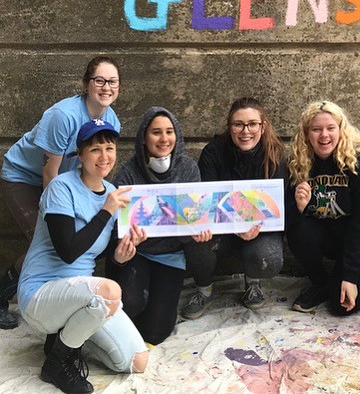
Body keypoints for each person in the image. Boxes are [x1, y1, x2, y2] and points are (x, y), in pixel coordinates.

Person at [17, 119, 148, 394]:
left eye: (109, 148)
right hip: (41, 295)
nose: (104, 156)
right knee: (110, 292)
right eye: (95, 149)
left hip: (84, 298)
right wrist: (105, 212)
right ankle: (57, 363)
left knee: (137, 361)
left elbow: (110, 260)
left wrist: (123, 255)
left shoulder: (112, 194)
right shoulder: (61, 188)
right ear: (80, 154)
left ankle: (66, 339)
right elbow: (68, 252)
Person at [0, 55, 122, 330]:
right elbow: (49, 173)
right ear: (86, 84)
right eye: (99, 80)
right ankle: (2, 294)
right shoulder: (64, 116)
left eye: (112, 81)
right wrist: (51, 216)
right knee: (44, 242)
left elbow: (101, 167)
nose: (106, 87)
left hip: (63, 183)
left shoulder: (111, 119)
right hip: (24, 177)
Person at [105, 107, 208, 345]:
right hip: (137, 253)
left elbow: (193, 217)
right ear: (144, 137)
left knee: (155, 333)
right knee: (130, 302)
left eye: (169, 132)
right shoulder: (128, 174)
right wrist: (126, 242)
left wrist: (193, 233)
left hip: (170, 255)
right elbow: (114, 229)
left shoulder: (188, 169)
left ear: (177, 135)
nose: (164, 139)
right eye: (156, 132)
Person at [286, 100, 360, 315]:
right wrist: (298, 208)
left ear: (341, 129)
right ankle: (320, 283)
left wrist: (351, 277)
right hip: (333, 233)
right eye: (316, 129)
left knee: (341, 307)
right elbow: (291, 224)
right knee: (298, 228)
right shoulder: (299, 164)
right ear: (307, 134)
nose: (324, 135)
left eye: (330, 128)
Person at [182, 97, 285, 317]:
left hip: (259, 230)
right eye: (238, 124)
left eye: (252, 124)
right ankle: (204, 288)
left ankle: (252, 282)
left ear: (262, 126)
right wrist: (233, 223)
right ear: (230, 127)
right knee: (196, 241)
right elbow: (206, 200)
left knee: (269, 258)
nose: (245, 130)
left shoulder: (275, 154)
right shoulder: (213, 152)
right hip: (221, 229)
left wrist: (255, 224)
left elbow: (277, 207)